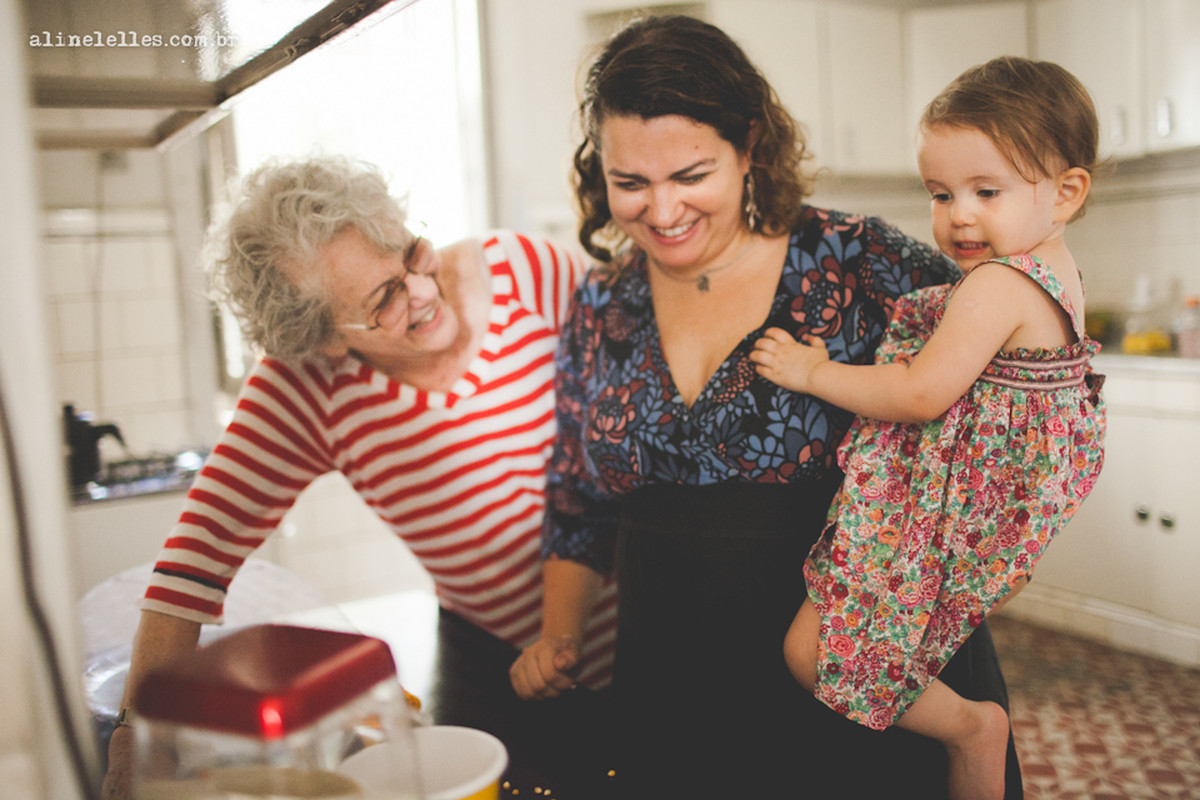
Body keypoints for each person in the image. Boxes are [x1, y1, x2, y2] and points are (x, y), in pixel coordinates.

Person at [508, 15, 1024, 799]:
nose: (661, 210)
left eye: (690, 175)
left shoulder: (863, 263)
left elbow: (1010, 399)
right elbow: (578, 494)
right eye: (630, 183)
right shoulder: (602, 304)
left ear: (749, 146)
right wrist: (558, 634)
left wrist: (994, 544)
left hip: (851, 656)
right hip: (674, 675)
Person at [99, 157, 618, 800]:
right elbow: (188, 568)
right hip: (496, 660)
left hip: (646, 625)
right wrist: (129, 750)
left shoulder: (528, 272)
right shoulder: (303, 389)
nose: (424, 292)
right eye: (385, 300)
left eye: (412, 255)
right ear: (325, 341)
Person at [752, 56, 1107, 800]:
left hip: (944, 510)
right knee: (865, 644)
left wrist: (812, 374)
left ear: (1067, 192)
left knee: (810, 650)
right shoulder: (1055, 270)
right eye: (941, 194)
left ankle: (971, 729)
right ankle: (971, 739)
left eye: (987, 190)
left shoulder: (997, 286)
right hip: (995, 511)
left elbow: (919, 393)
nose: (958, 215)